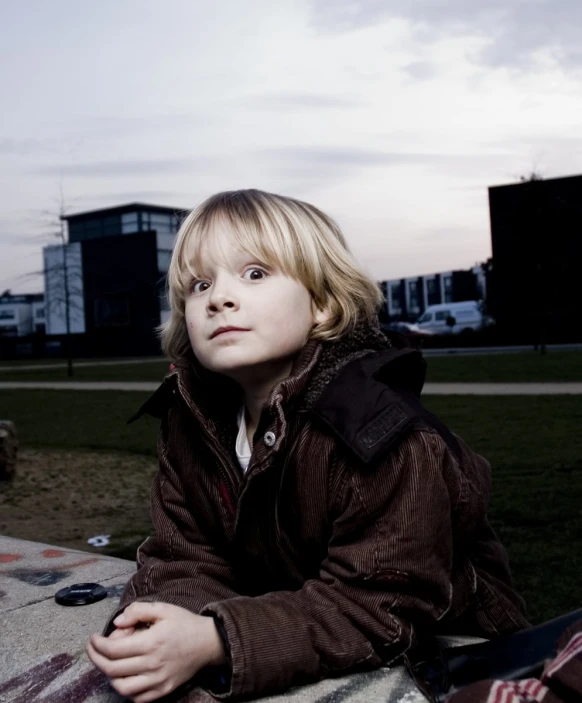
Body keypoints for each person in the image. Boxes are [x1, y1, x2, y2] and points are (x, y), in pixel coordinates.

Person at [86, 189, 528, 703]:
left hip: (454, 663)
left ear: (321, 303)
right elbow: (183, 555)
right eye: (199, 284)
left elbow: (379, 605)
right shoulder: (191, 424)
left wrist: (217, 639)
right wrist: (163, 624)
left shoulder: (383, 436)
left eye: (254, 274)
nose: (218, 298)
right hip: (301, 631)